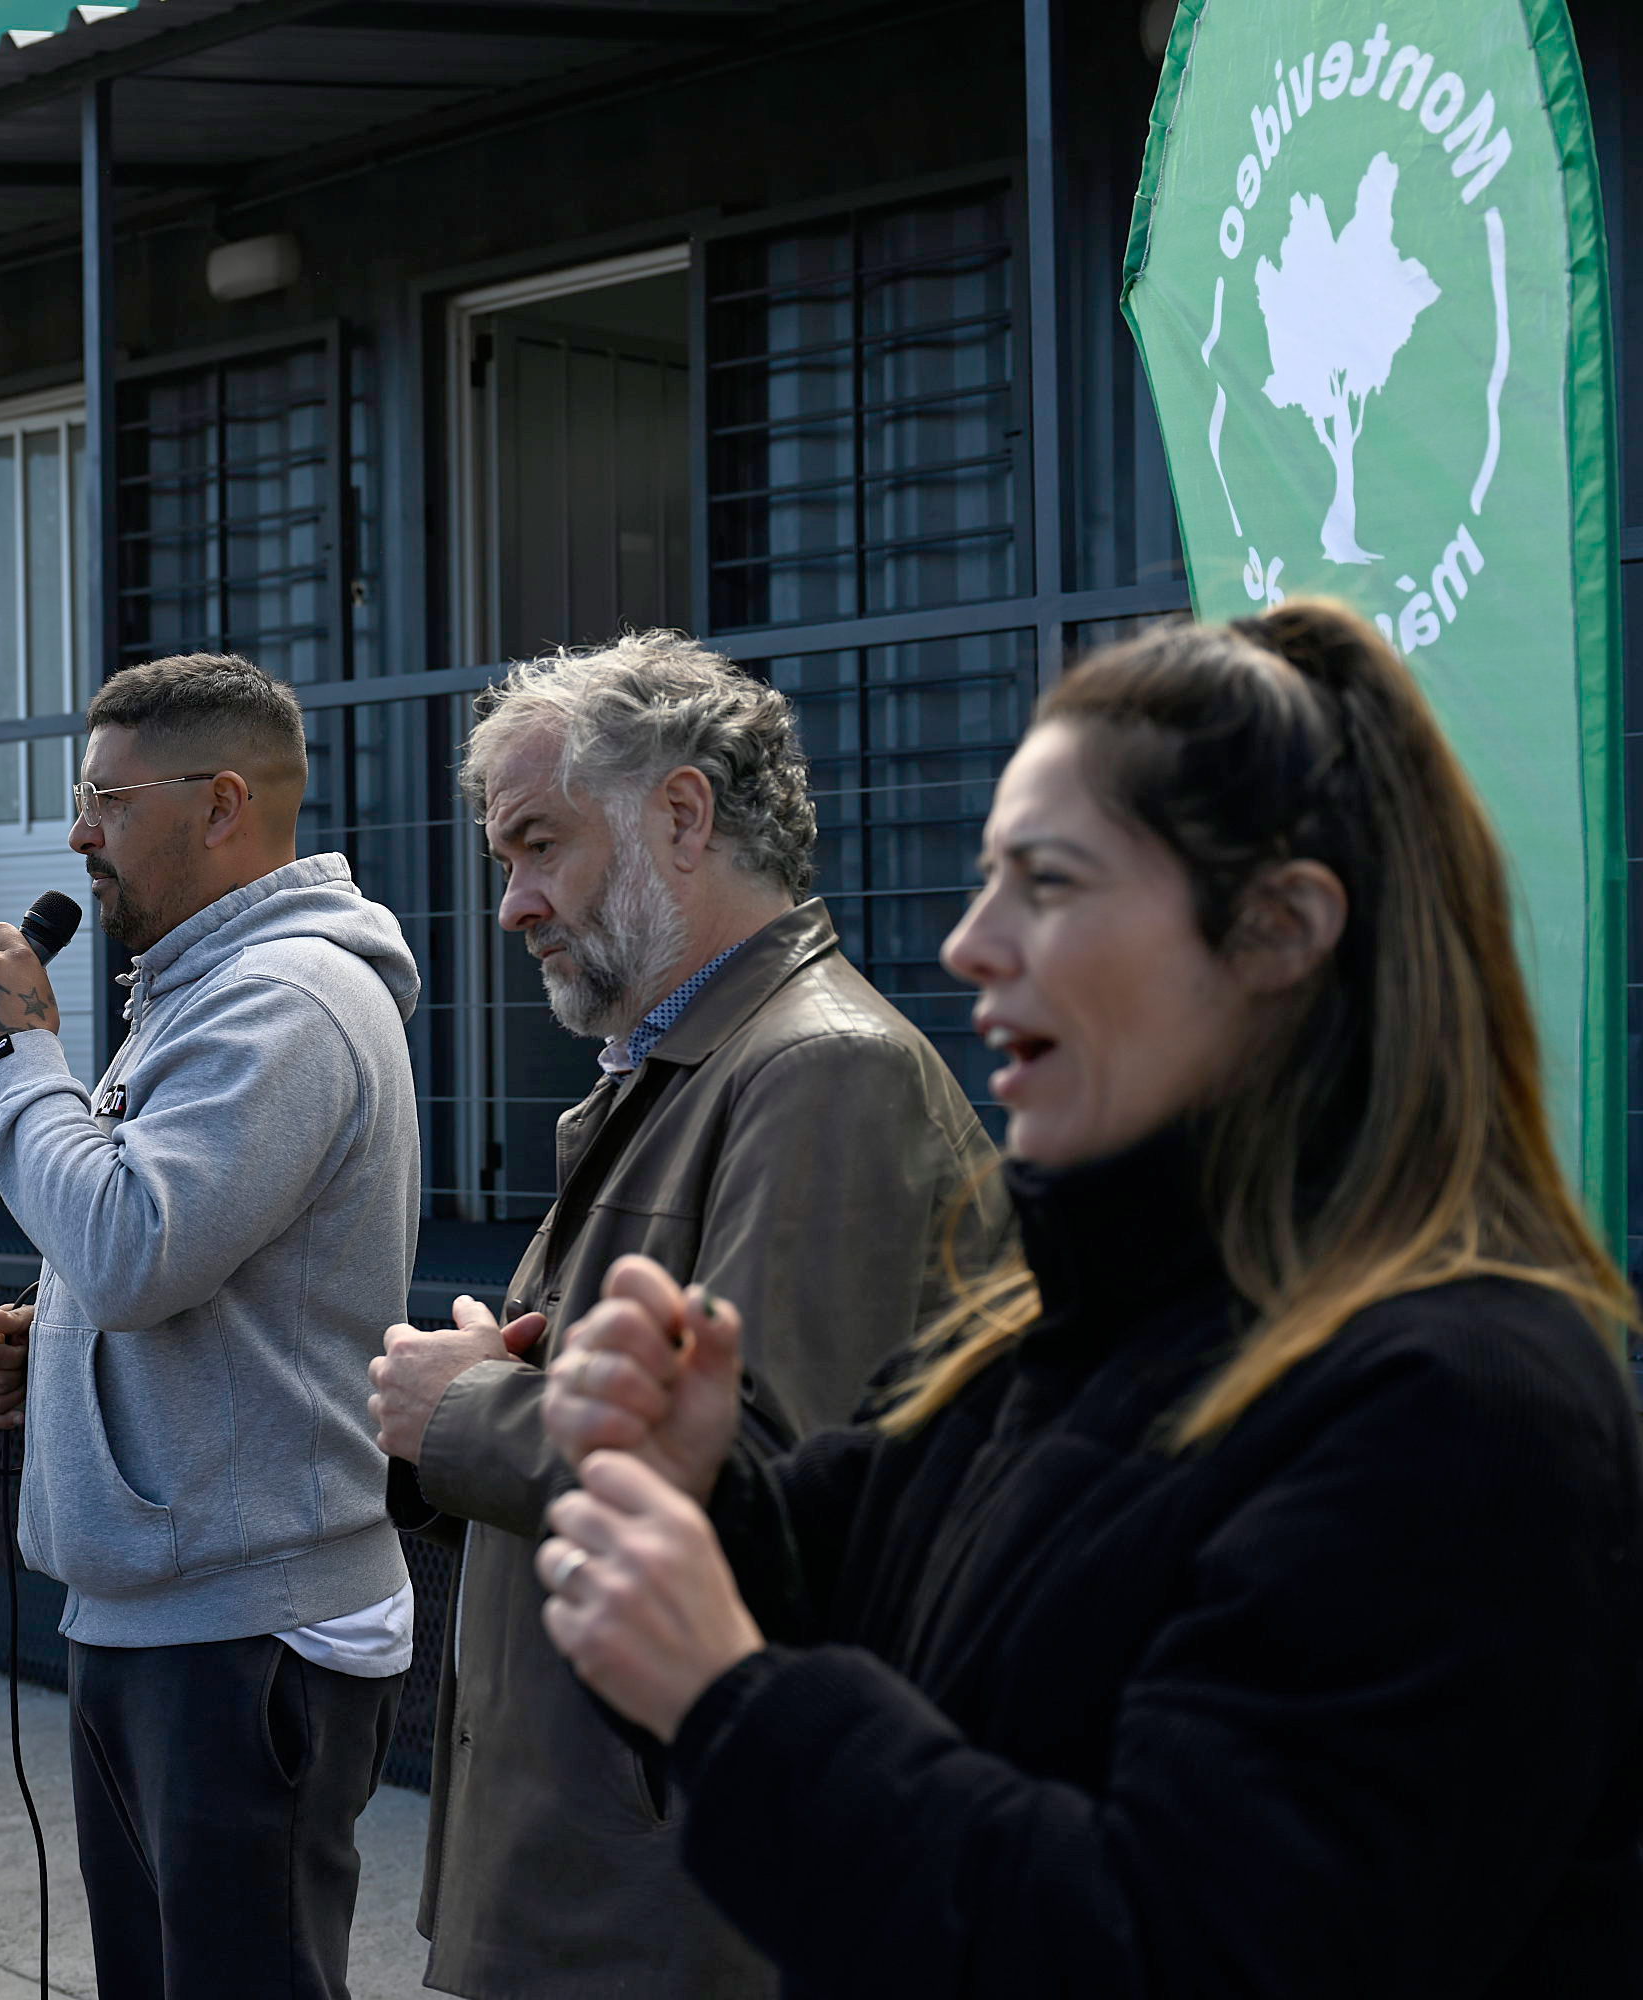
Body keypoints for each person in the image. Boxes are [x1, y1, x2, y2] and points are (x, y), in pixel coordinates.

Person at [537, 602, 1643, 1997]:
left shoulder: (1461, 1414)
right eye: (984, 878)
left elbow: (1175, 1947)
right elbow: (861, 1613)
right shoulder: (1050, 1337)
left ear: (1276, 930)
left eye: (1051, 884)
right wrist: (693, 1491)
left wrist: (735, 1702)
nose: (970, 945)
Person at [363, 630, 997, 1998]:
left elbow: (776, 1487)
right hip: (606, 1875)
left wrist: (462, 1410)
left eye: (538, 846)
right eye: (505, 860)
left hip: (668, 1909)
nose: (514, 905)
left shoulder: (825, 1073)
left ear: (684, 816)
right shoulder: (696, 1067)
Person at [0, 653, 420, 2000]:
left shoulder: (283, 1002)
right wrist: (55, 1346)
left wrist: (19, 1059)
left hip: (242, 1633)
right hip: (173, 1614)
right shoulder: (207, 991)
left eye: (103, 796)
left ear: (221, 805)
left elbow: (134, 1244)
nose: (79, 833)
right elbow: (153, 1258)